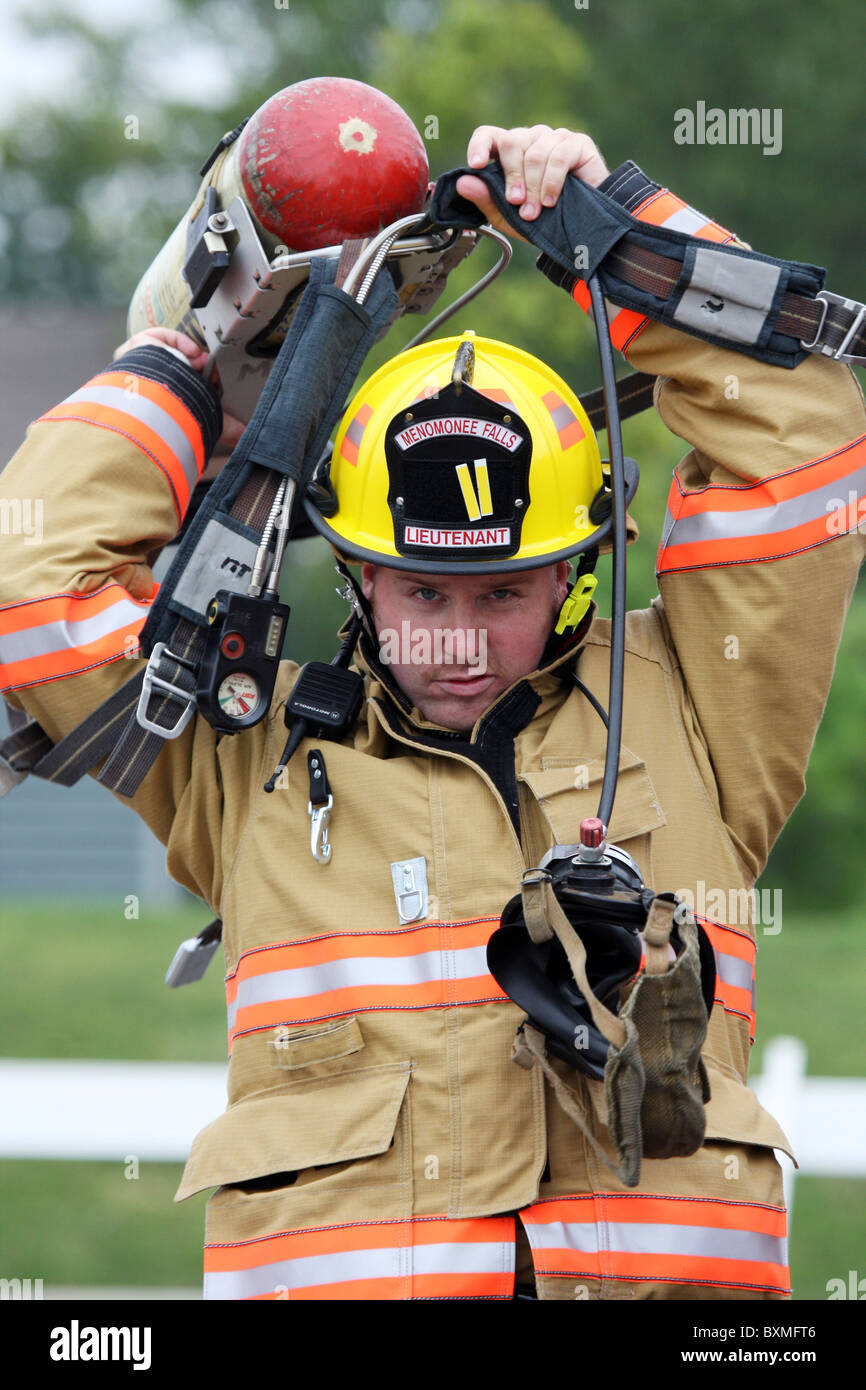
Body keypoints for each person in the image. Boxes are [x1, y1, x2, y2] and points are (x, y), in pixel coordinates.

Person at [1, 123, 863, 1302]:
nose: (458, 635)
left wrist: (609, 236)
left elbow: (802, 438)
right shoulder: (235, 760)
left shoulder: (704, 712)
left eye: (502, 590)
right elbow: (34, 575)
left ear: (574, 571)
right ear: (354, 572)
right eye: (421, 589)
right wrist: (212, 350)